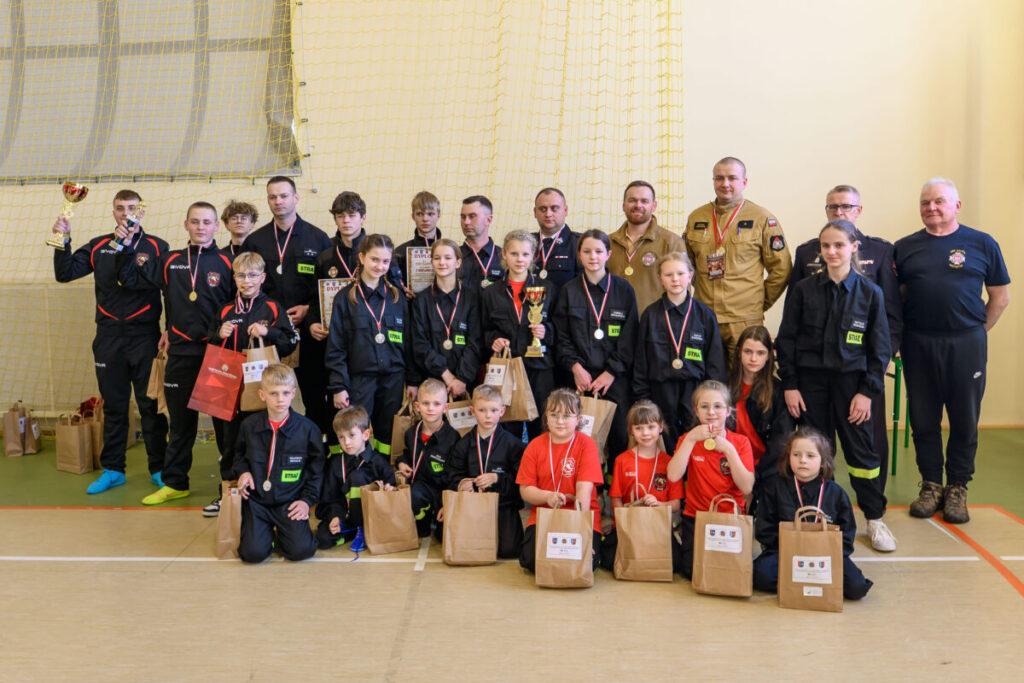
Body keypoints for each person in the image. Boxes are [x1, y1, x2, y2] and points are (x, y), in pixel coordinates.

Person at [896, 178, 1010, 524]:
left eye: (939, 202)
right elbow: (898, 299)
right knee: (923, 418)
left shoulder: (982, 243)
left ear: (956, 206)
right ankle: (931, 485)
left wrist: (975, 332)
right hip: (918, 343)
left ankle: (957, 487)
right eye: (925, 202)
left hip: (966, 344)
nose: (931, 208)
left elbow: (1000, 297)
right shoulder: (905, 248)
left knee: (964, 418)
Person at [777, 220, 895, 551]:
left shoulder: (871, 294)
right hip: (811, 385)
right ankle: (816, 516)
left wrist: (867, 392)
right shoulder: (803, 290)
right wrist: (790, 384)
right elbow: (787, 340)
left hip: (852, 387)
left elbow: (879, 348)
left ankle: (874, 518)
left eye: (839, 245)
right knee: (814, 452)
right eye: (826, 246)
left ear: (853, 247)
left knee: (863, 454)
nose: (832, 252)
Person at [117, 202, 235, 505]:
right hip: (181, 353)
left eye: (207, 222)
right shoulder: (169, 260)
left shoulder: (228, 261)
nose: (201, 227)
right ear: (185, 225)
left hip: (217, 355)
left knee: (224, 427)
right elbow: (129, 279)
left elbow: (243, 303)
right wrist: (127, 245)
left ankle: (229, 485)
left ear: (216, 227)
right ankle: (176, 483)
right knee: (181, 425)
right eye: (195, 222)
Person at [52, 189, 169, 494]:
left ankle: (159, 469)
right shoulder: (98, 246)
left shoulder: (158, 246)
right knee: (115, 407)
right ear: (113, 212)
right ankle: (114, 469)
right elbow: (64, 274)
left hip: (145, 337)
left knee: (151, 407)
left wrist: (169, 329)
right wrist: (61, 240)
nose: (125, 212)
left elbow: (164, 289)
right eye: (120, 208)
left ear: (140, 211)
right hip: (108, 339)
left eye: (131, 207)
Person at [789, 185, 902, 492]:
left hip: (860, 373)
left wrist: (877, 371)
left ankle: (873, 512)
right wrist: (791, 381)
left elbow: (889, 315)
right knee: (816, 443)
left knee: (868, 441)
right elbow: (792, 328)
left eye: (846, 207)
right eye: (832, 207)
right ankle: (818, 506)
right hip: (815, 375)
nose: (839, 212)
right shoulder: (805, 254)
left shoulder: (879, 252)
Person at [201, 252, 299, 517]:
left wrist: (270, 332)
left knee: (260, 439)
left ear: (263, 277)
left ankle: (262, 492)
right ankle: (228, 492)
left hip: (260, 385)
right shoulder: (224, 309)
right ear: (234, 277)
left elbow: (292, 341)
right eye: (241, 275)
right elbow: (209, 345)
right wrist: (216, 335)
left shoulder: (273, 308)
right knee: (228, 441)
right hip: (227, 384)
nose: (247, 281)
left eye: (253, 275)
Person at [239, 176, 332, 440]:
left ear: (296, 198)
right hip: (269, 335)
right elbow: (248, 287)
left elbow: (327, 288)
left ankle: (317, 450)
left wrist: (308, 309)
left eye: (283, 196)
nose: (278, 201)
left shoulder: (318, 238)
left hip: (308, 333)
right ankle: (273, 449)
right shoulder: (256, 241)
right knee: (269, 398)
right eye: (272, 197)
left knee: (315, 396)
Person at [683, 157, 791, 361]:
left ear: (744, 182)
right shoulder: (697, 217)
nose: (725, 184)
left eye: (732, 178)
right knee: (706, 381)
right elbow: (687, 267)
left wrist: (758, 303)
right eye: (719, 178)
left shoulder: (762, 218)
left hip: (745, 320)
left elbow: (782, 269)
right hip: (704, 317)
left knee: (745, 382)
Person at [753, 427, 873, 600]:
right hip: (786, 553)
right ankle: (814, 581)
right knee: (761, 576)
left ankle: (799, 580)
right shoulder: (774, 487)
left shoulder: (836, 494)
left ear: (823, 462)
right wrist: (792, 546)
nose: (802, 461)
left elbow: (847, 534)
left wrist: (822, 551)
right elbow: (764, 528)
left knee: (856, 587)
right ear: (788, 458)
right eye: (796, 455)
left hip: (825, 557)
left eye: (810, 456)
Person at [552, 229, 639, 461]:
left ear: (608, 254)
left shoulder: (624, 290)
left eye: (599, 251)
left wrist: (611, 372)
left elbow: (630, 338)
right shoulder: (568, 291)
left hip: (614, 380)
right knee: (582, 439)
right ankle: (592, 492)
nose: (593, 257)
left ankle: (616, 492)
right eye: (587, 251)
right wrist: (575, 368)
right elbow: (561, 336)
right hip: (579, 379)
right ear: (579, 255)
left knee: (618, 436)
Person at [325, 234, 414, 457]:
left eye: (385, 261)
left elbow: (409, 343)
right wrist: (339, 386)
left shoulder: (397, 298)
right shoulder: (345, 298)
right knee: (355, 434)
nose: (379, 266)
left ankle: (384, 480)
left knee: (387, 437)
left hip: (393, 379)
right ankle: (355, 482)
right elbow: (336, 345)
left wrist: (412, 381)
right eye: (374, 260)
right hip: (359, 380)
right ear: (362, 258)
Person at [633, 252, 726, 449]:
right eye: (668, 275)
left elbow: (714, 362)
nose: (675, 279)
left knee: (695, 443)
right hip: (660, 391)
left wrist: (712, 398)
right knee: (666, 442)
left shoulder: (705, 315)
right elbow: (641, 361)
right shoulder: (650, 315)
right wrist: (643, 399)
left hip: (695, 391)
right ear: (660, 278)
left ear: (690, 276)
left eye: (680, 273)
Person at [234, 363, 324, 563]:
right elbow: (238, 455)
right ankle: (264, 536)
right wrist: (243, 471)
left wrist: (306, 501)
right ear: (262, 395)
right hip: (257, 501)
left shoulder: (308, 430)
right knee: (252, 554)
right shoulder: (249, 426)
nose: (280, 399)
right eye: (273, 393)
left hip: (290, 501)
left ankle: (284, 535)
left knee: (301, 551)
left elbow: (316, 470)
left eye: (285, 393)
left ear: (293, 393)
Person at [667, 380, 754, 579]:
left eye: (718, 406)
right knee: (691, 571)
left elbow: (747, 487)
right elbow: (673, 475)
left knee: (730, 572)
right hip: (696, 517)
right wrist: (690, 440)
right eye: (704, 407)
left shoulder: (740, 443)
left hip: (729, 517)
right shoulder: (687, 439)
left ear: (728, 411)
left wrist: (728, 450)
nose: (711, 412)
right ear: (696, 411)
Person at [307, 191, 369, 453]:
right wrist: (312, 322)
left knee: (363, 402)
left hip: (365, 342)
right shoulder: (325, 257)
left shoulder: (374, 250)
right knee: (334, 401)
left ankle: (366, 458)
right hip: (333, 343)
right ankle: (334, 455)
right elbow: (313, 298)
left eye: (351, 215)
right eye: (340, 215)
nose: (346, 221)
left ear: (362, 217)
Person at [516, 389, 604, 572]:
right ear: (546, 417)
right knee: (531, 561)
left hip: (580, 515)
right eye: (554, 415)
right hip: (545, 515)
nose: (560, 421)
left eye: (567, 416)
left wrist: (581, 533)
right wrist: (547, 496)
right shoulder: (534, 446)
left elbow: (584, 492)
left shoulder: (587, 445)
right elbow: (525, 490)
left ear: (578, 419)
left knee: (585, 563)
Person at [481, 230, 555, 440]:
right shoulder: (490, 294)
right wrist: (492, 341)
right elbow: (483, 330)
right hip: (508, 369)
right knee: (509, 427)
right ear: (504, 254)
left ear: (534, 255)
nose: (519, 259)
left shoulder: (548, 290)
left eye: (525, 254)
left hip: (540, 368)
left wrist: (546, 331)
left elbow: (560, 329)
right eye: (514, 254)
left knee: (540, 427)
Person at [599, 400, 684, 572]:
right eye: (638, 428)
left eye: (651, 427)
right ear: (631, 430)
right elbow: (615, 499)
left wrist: (659, 504)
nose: (645, 433)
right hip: (629, 527)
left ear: (660, 427)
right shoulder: (622, 460)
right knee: (608, 560)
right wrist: (625, 517)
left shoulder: (670, 463)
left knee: (675, 563)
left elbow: (675, 505)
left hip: (657, 528)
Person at [447, 385, 525, 559]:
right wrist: (461, 484)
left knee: (509, 550)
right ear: (472, 411)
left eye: (493, 410)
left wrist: (498, 478)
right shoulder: (463, 444)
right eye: (482, 410)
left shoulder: (514, 445)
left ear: (502, 411)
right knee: (467, 546)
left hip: (503, 504)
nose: (488, 415)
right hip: (472, 505)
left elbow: (521, 480)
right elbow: (453, 474)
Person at [409, 238, 484, 399]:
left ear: (458, 263)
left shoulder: (472, 298)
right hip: (431, 382)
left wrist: (462, 379)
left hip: (465, 383)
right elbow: (419, 345)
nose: (442, 262)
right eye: (437, 258)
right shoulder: (420, 301)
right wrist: (446, 375)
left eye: (448, 258)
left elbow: (476, 342)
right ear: (432, 262)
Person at [315, 405, 396, 552]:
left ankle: (364, 529)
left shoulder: (378, 461)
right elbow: (331, 498)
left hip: (374, 518)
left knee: (357, 477)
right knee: (323, 539)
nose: (346, 443)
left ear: (366, 435)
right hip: (346, 516)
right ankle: (354, 531)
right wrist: (336, 518)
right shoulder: (335, 464)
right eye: (341, 437)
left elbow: (392, 485)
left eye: (352, 435)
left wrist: (389, 488)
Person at [726, 325, 794, 492]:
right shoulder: (724, 386)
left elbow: (781, 441)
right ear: (739, 352)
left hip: (765, 468)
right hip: (728, 464)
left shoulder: (778, 391)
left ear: (769, 356)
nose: (753, 359)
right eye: (748, 351)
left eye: (760, 353)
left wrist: (755, 477)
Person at [395, 379, 460, 539]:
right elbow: (407, 454)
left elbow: (456, 473)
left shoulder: (453, 437)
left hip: (443, 491)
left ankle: (437, 520)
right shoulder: (411, 433)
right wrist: (401, 463)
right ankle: (422, 525)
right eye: (425, 403)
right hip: (421, 488)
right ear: (417, 406)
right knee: (413, 496)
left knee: (441, 537)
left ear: (445, 408)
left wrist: (447, 503)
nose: (431, 408)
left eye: (437, 404)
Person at [607, 180, 683, 312]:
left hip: (655, 325)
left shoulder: (672, 242)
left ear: (654, 206)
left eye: (644, 201)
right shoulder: (607, 243)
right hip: (615, 323)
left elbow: (682, 291)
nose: (638, 205)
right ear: (623, 205)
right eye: (632, 200)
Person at [532, 187, 580, 301]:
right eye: (543, 209)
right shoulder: (525, 244)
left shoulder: (579, 244)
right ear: (535, 212)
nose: (548, 214)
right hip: (529, 314)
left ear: (565, 210)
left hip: (564, 315)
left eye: (554, 208)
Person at [394, 191, 444, 296]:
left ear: (438, 215)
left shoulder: (449, 251)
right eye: (420, 214)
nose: (425, 219)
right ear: (413, 216)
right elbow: (393, 284)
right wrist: (401, 292)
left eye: (430, 214)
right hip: (411, 308)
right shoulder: (400, 253)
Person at [458, 195, 505, 289]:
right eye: (463, 217)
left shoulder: (504, 257)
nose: (466, 222)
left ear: (488, 220)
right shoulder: (452, 257)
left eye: (472, 216)